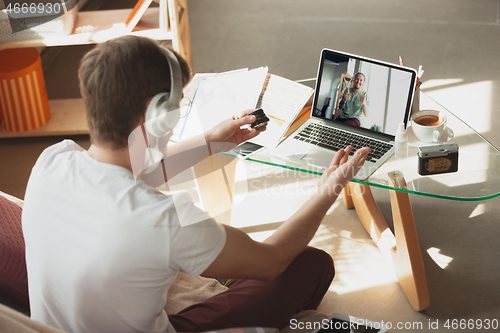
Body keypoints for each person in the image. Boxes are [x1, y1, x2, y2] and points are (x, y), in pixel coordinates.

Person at [22, 35, 371, 333]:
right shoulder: (164, 219)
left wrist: (211, 141)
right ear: (153, 113)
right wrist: (329, 189)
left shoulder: (52, 160)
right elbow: (272, 261)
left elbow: (130, 176)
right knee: (311, 264)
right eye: (176, 108)